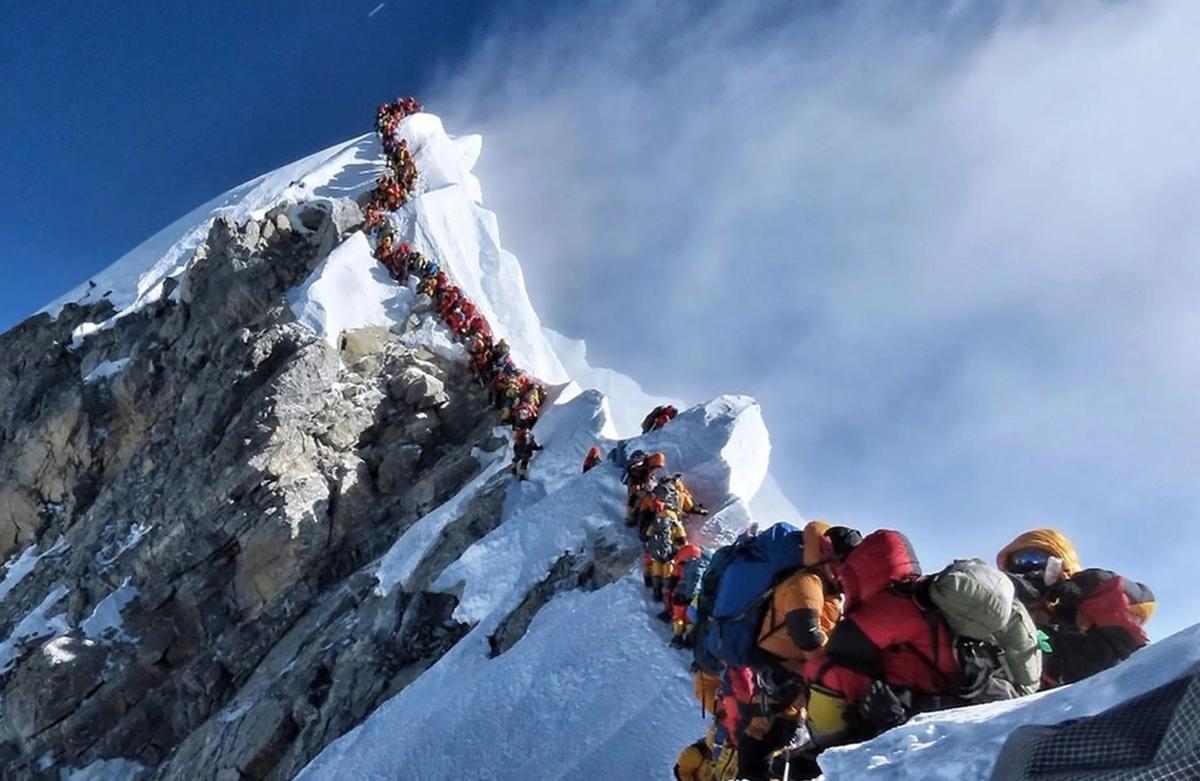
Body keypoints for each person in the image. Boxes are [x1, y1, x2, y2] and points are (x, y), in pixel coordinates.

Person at [997, 528, 1155, 687]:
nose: (1026, 567)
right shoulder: (1003, 614)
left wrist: (1097, 583)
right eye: (1018, 561)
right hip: (1021, 700)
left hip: (1101, 694)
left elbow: (1142, 602)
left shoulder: (1083, 611)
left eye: (1035, 558)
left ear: (1061, 565)